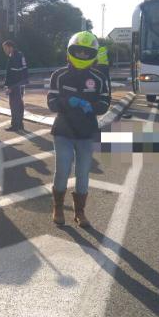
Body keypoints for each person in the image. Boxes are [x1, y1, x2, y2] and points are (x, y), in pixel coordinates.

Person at [47, 31, 110, 227]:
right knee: (63, 170)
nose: (82, 56)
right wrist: (68, 101)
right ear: (70, 52)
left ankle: (80, 212)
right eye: (79, 52)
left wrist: (93, 106)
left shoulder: (99, 78)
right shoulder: (59, 75)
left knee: (83, 172)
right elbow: (51, 102)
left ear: (93, 54)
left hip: (86, 133)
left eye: (86, 53)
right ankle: (58, 207)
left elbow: (106, 102)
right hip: (64, 131)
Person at [2, 40, 29, 132]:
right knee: (19, 105)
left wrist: (10, 87)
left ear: (10, 47)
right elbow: (22, 71)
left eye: (5, 48)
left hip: (16, 85)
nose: (4, 50)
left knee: (14, 105)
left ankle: (15, 126)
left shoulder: (15, 57)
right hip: (20, 84)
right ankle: (20, 124)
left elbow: (14, 74)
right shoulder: (19, 55)